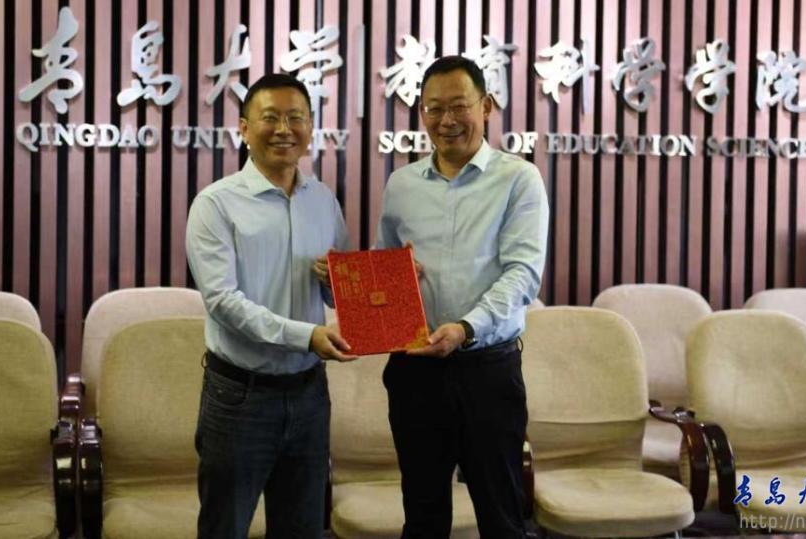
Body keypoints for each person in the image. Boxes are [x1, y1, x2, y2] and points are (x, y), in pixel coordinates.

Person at [375, 55, 550, 538]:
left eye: (459, 106)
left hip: (486, 371)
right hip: (415, 373)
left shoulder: (518, 179)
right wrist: (386, 277)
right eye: (434, 109)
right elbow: (384, 269)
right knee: (423, 516)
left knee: (501, 516)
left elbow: (522, 274)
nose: (446, 120)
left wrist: (466, 328)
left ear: (486, 106)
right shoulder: (401, 185)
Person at [186, 73, 355, 539]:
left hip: (309, 394)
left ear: (310, 127)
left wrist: (347, 285)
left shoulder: (323, 201)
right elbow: (223, 302)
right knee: (225, 527)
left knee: (303, 527)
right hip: (240, 397)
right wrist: (307, 336)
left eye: (296, 117)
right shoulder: (216, 205)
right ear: (244, 128)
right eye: (271, 117)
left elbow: (338, 291)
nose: (284, 129)